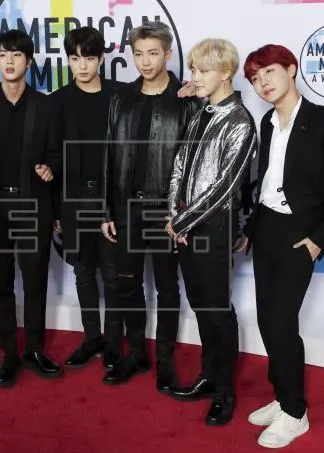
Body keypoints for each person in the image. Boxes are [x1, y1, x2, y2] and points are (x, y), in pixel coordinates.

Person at [241, 44, 324, 447]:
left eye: (269, 72)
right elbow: (267, 179)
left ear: (291, 69)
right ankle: (281, 397)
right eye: (255, 78)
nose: (263, 83)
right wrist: (251, 227)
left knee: (281, 323)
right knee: (266, 320)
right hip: (267, 228)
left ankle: (295, 413)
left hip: (300, 234)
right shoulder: (266, 122)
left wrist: (319, 239)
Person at [101, 21, 199, 391]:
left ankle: (166, 364)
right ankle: (138, 355)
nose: (145, 61)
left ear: (168, 54)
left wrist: (182, 216)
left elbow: (193, 165)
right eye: (139, 54)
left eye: (153, 53)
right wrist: (106, 211)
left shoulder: (186, 100)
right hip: (126, 209)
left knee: (167, 289)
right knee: (127, 285)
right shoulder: (121, 97)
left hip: (166, 213)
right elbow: (108, 155)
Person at [166, 39, 258, 426]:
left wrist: (181, 222)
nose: (195, 77)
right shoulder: (200, 112)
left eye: (203, 70)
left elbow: (224, 186)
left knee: (218, 309)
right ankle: (208, 376)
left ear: (226, 73)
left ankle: (224, 392)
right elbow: (179, 165)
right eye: (193, 69)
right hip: (185, 226)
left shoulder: (240, 122)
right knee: (201, 305)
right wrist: (173, 214)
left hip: (214, 227)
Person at [0, 29, 63, 387]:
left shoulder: (46, 105)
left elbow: (57, 152)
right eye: (3, 55)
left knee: (35, 282)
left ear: (29, 61)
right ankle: (9, 353)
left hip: (33, 205)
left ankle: (35, 350)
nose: (9, 61)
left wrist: (50, 168)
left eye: (16, 55)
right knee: (2, 283)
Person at [51, 26, 125, 371]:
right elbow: (53, 156)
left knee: (112, 273)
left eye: (89, 58)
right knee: (83, 271)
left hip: (111, 198)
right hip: (73, 199)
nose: (82, 66)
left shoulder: (119, 95)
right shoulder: (58, 101)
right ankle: (92, 336)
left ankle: (113, 342)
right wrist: (57, 209)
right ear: (68, 60)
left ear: (101, 59)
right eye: (75, 58)